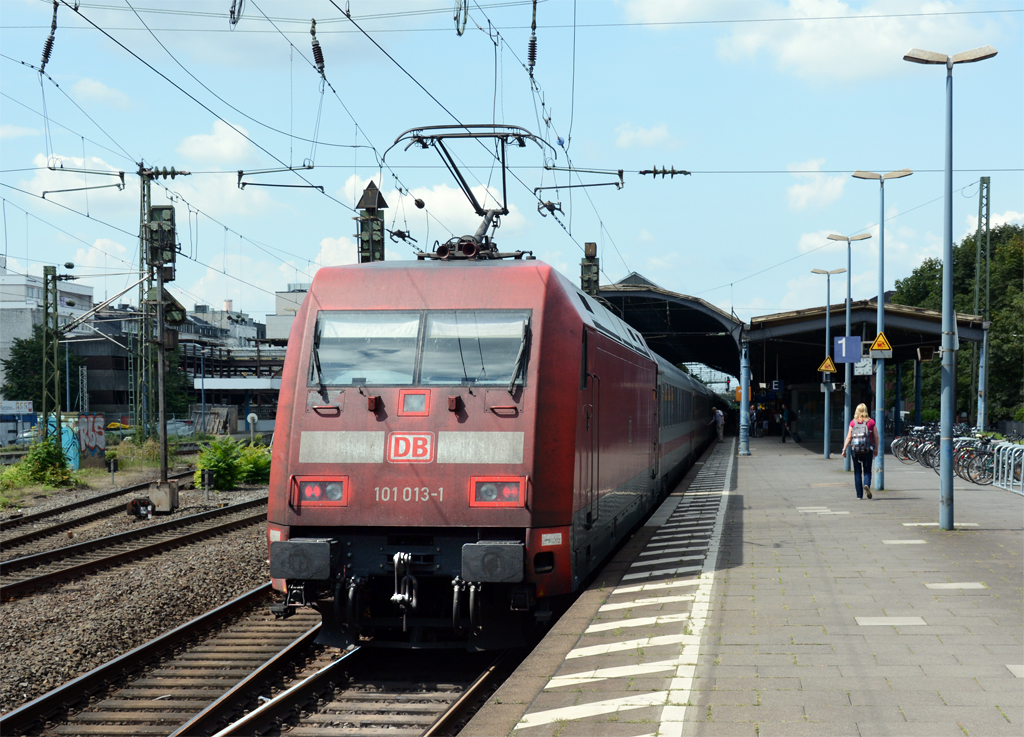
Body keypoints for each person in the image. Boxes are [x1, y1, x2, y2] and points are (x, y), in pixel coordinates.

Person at [841, 403, 880, 500]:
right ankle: (866, 484)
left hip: (855, 451)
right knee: (867, 471)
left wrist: (844, 449)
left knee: (857, 472)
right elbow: (876, 437)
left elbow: (849, 436)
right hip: (867, 450)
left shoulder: (853, 422)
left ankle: (859, 495)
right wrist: (876, 449)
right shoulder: (871, 422)